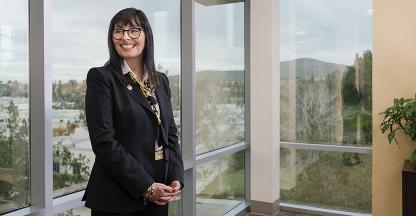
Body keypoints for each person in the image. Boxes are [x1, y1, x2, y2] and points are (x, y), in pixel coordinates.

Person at [82, 8, 184, 216]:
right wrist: (147, 187)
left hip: (159, 192)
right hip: (117, 197)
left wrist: (175, 177)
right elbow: (104, 143)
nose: (125, 37)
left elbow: (170, 133)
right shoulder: (101, 78)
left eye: (134, 30)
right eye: (118, 31)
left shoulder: (160, 80)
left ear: (147, 35)